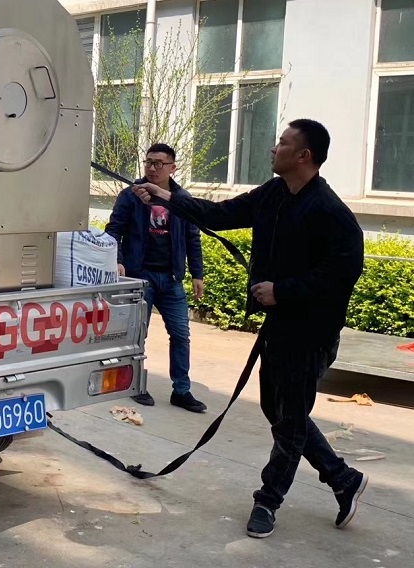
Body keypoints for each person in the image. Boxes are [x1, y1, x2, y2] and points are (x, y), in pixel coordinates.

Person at [132, 120, 367, 539]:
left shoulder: (330, 213)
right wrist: (166, 195)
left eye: (282, 143)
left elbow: (341, 274)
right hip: (279, 326)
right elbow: (220, 215)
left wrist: (283, 291)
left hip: (310, 334)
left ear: (304, 156)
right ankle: (342, 477)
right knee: (278, 412)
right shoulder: (274, 193)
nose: (273, 149)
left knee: (289, 423)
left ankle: (267, 501)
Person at [105, 143, 207, 413]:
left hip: (171, 279)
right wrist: (117, 260)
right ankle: (136, 385)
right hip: (141, 277)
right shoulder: (131, 195)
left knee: (181, 335)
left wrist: (197, 273)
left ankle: (181, 390)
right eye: (149, 162)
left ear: (173, 168)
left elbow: (192, 237)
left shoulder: (181, 199)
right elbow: (114, 230)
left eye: (159, 163)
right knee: (138, 336)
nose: (152, 168)